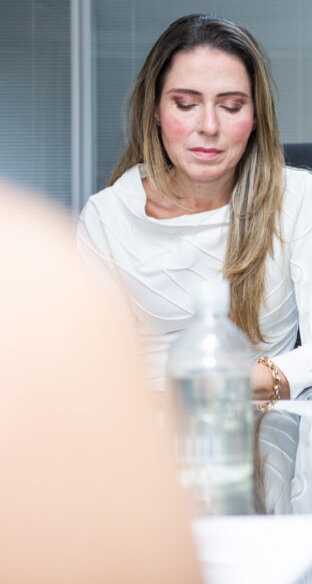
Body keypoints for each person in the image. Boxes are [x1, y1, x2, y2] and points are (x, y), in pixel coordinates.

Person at [77, 13, 312, 401]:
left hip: (262, 430)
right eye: (186, 103)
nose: (209, 126)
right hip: (142, 432)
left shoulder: (301, 198)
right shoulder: (107, 216)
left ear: (256, 116)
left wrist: (227, 386)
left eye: (230, 106)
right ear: (156, 110)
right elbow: (92, 364)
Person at [2, 183, 201, 582]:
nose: (209, 126)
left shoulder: (35, 261)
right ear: (157, 118)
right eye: (186, 112)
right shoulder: (36, 262)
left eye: (231, 112)